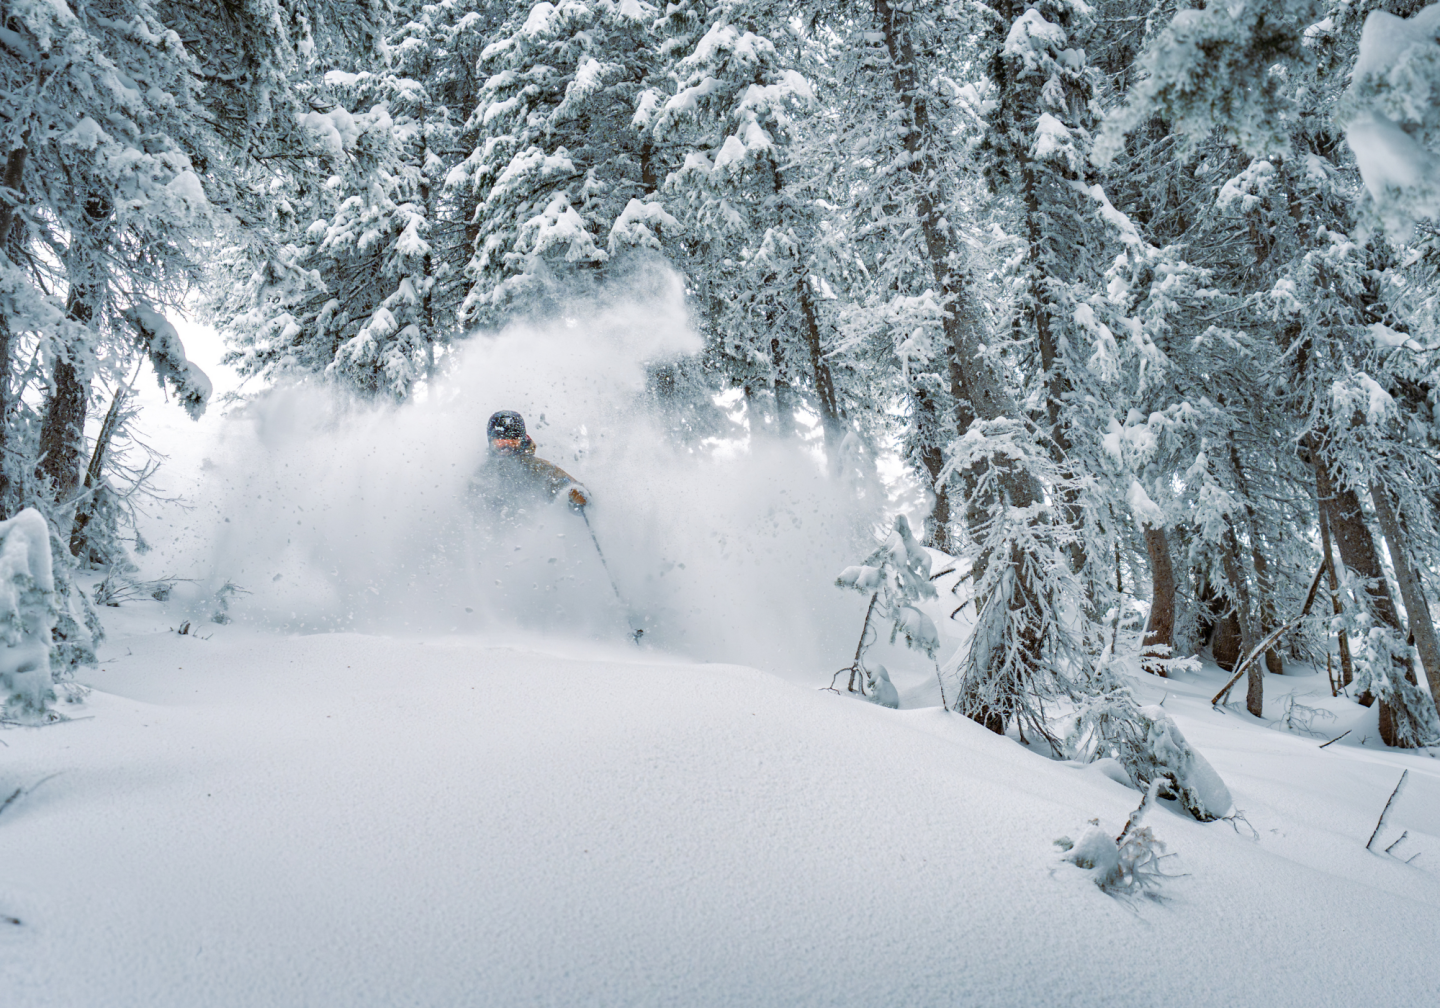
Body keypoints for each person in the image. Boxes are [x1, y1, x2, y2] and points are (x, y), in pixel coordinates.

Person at [478, 410, 590, 516]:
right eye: (500, 442)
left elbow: (574, 491)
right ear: (490, 442)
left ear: (522, 441)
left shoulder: (540, 470)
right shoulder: (482, 475)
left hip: (538, 526)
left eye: (513, 442)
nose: (507, 447)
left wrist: (576, 498)